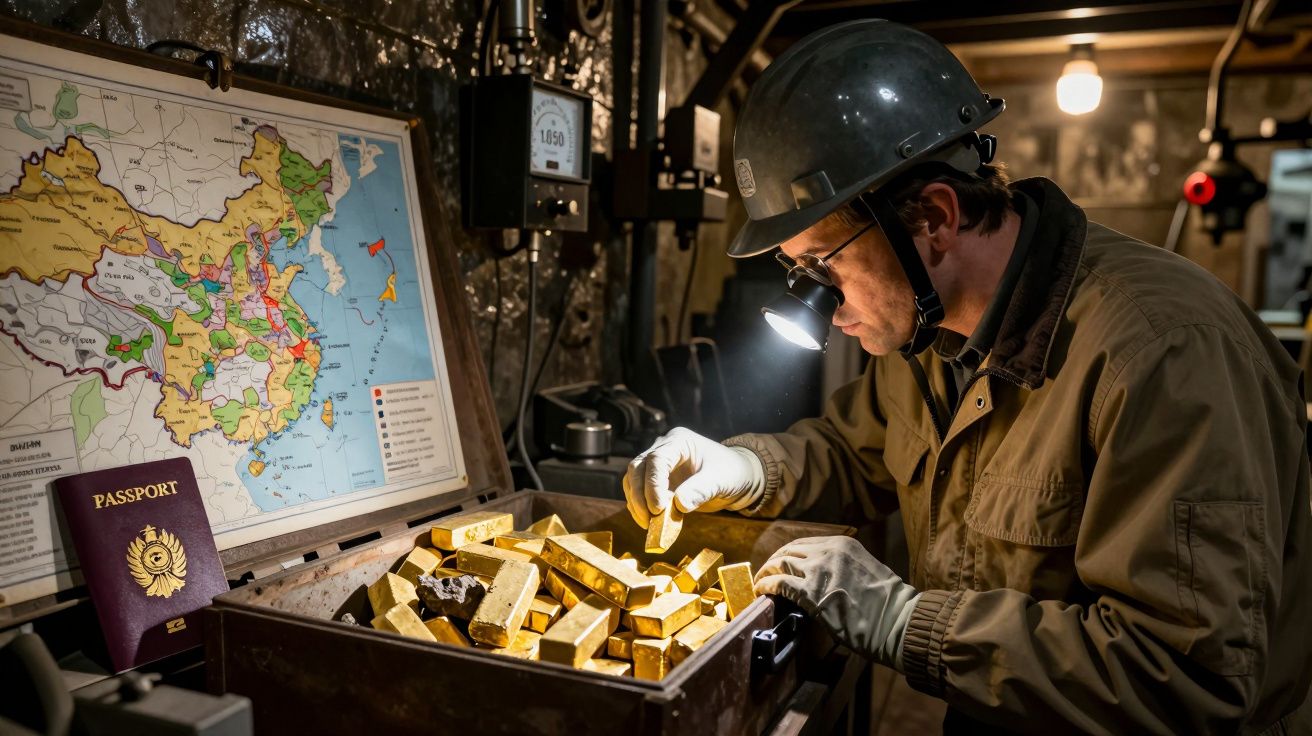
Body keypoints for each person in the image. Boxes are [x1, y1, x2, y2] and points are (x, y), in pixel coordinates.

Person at [623, 19, 1312, 735]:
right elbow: (853, 453)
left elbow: (1186, 681)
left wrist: (905, 621)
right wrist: (744, 467)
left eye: (823, 267)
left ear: (933, 218)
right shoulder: (935, 333)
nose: (822, 310)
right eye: (797, 272)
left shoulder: (1165, 354)